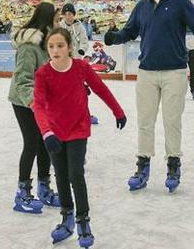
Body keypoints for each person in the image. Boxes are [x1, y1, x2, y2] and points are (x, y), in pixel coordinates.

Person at [104, 0, 194, 193]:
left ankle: (173, 165)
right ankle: (142, 166)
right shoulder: (141, 7)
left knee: (172, 121)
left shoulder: (179, 3)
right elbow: (129, 32)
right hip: (147, 72)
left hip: (174, 72)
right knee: (145, 121)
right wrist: (114, 38)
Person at [33, 27, 126, 247]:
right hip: (54, 132)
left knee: (76, 173)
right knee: (61, 175)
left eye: (60, 46)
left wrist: (118, 110)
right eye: (51, 46)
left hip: (78, 128)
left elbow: (101, 89)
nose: (55, 50)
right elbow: (38, 105)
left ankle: (83, 220)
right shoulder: (43, 74)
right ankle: (67, 218)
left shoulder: (81, 68)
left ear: (69, 47)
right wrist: (47, 132)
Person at [8, 2, 60, 214]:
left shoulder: (47, 43)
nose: (58, 24)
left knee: (45, 144)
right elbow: (23, 80)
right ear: (47, 20)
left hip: (41, 102)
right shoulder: (30, 45)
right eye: (56, 20)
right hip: (24, 101)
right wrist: (34, 103)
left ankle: (44, 187)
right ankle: (23, 193)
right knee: (32, 143)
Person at [59, 3, 98, 125]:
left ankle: (84, 113)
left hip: (76, 61)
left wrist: (82, 49)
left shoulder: (80, 26)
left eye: (70, 14)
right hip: (63, 61)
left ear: (74, 15)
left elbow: (84, 40)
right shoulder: (60, 26)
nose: (68, 16)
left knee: (79, 89)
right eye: (66, 14)